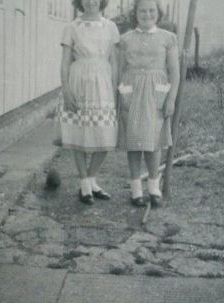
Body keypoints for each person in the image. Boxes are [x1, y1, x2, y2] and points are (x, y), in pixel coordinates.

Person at [117, 0, 180, 207]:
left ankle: (154, 188)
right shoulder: (125, 39)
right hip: (132, 93)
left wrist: (171, 98)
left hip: (156, 95)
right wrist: (121, 93)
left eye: (151, 10)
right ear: (135, 13)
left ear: (158, 13)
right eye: (142, 10)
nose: (147, 14)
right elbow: (119, 70)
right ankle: (136, 191)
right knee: (134, 143)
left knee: (154, 144)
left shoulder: (167, 38)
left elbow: (174, 72)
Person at [57, 0, 120, 204]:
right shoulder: (72, 27)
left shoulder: (110, 27)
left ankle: (92, 179)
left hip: (103, 84)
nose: (91, 2)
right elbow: (65, 62)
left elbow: (115, 63)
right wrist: (66, 89)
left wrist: (115, 90)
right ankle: (84, 184)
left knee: (105, 135)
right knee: (79, 134)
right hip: (79, 82)